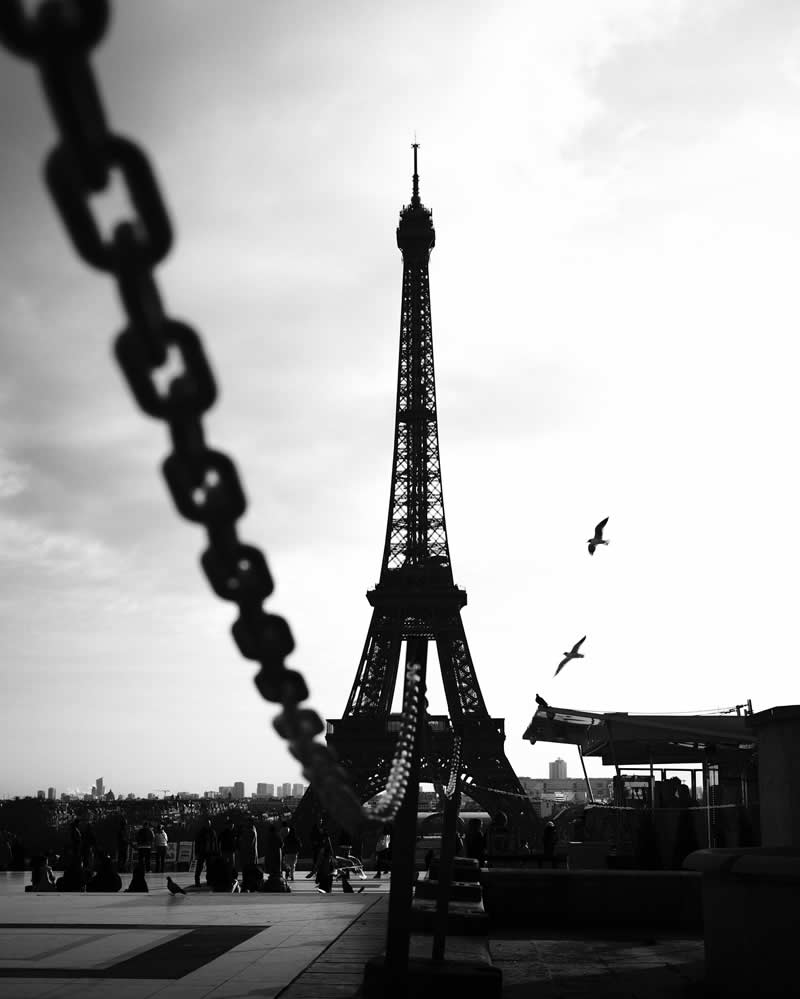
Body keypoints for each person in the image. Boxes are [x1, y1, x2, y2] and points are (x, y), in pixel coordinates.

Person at [194, 816, 218, 887]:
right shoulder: (201, 833)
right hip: (202, 852)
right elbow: (197, 843)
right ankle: (197, 882)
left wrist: (216, 851)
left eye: (209, 824)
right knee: (199, 867)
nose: (208, 825)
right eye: (207, 824)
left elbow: (215, 842)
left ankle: (209, 881)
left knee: (210, 868)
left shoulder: (212, 832)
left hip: (210, 852)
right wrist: (197, 852)